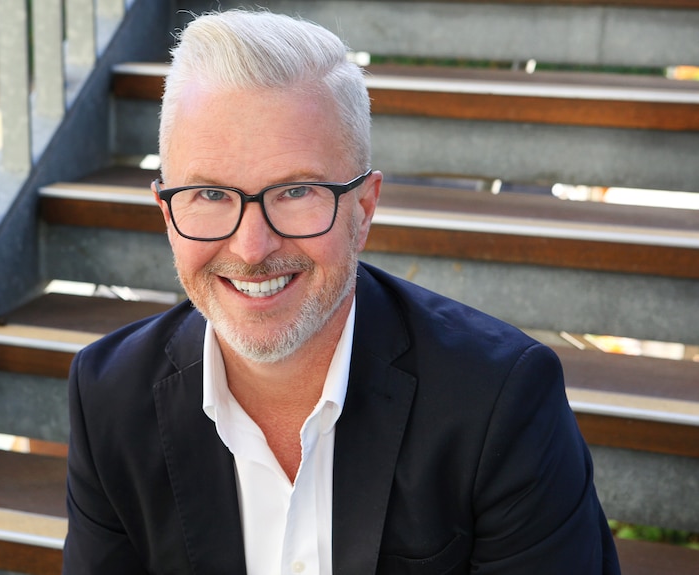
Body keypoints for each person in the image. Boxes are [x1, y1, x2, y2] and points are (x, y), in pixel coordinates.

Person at [63, 9, 620, 575]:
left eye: (296, 191)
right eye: (209, 195)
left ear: (364, 208)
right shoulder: (109, 397)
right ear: (166, 209)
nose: (252, 247)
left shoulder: (499, 401)